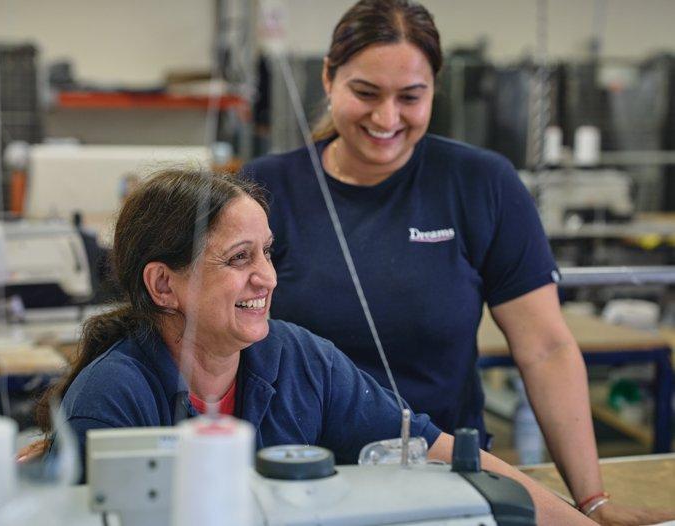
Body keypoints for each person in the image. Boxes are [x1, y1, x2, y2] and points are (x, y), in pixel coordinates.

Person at [243, 1, 675, 524]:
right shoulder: (268, 188)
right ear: (329, 78)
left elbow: (545, 347)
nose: (387, 118)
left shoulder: (479, 184)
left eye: (410, 97)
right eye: (365, 93)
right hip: (298, 479)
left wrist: (592, 501)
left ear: (434, 91)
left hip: (442, 479)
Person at [35, 168, 589, 524]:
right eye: (239, 258)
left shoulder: (298, 360)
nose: (268, 278)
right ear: (164, 285)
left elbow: (436, 449)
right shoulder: (111, 401)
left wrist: (583, 521)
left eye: (268, 253)